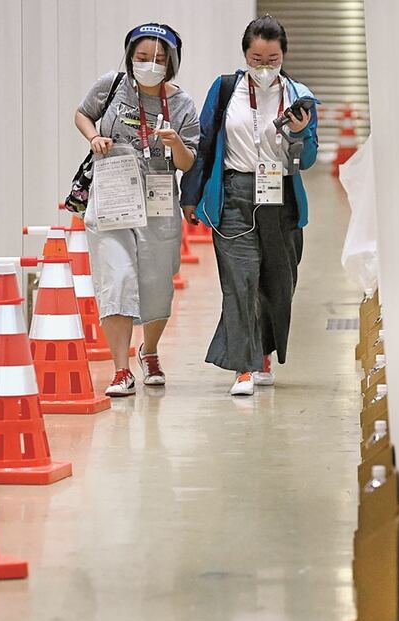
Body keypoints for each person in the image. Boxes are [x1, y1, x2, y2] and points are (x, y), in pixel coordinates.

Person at [180, 15, 318, 397]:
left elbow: (307, 160)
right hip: (234, 193)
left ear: (283, 56)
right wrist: (189, 195)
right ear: (245, 55)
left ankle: (264, 351)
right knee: (239, 282)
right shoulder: (226, 90)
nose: (263, 66)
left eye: (272, 58)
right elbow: (204, 144)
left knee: (277, 284)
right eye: (256, 58)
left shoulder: (299, 95)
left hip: (281, 196)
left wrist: (299, 132)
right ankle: (244, 366)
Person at [74, 23, 199, 397]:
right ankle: (120, 369)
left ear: (171, 62)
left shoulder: (182, 105)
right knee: (118, 278)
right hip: (112, 192)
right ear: (130, 56)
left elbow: (188, 162)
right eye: (142, 58)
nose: (150, 64)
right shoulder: (112, 85)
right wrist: (94, 136)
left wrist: (175, 141)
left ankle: (151, 351)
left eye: (159, 59)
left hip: (159, 202)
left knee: (156, 284)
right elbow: (82, 114)